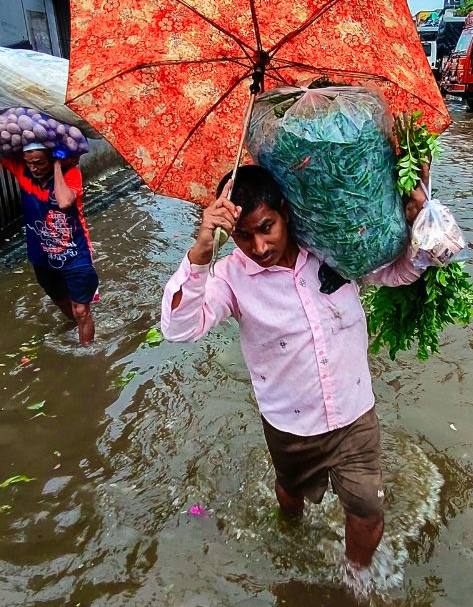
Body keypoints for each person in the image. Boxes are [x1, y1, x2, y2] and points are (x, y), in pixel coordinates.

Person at [160, 165, 427, 572]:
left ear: (284, 211)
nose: (260, 245)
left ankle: (358, 581)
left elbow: (399, 271)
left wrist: (419, 225)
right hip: (290, 425)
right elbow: (179, 329)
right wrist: (200, 252)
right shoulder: (229, 277)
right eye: (243, 235)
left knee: (368, 508)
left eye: (267, 227)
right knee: (290, 492)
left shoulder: (331, 247)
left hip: (354, 413)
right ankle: (289, 516)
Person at [0, 143, 99, 344]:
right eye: (29, 163)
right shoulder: (24, 173)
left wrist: (58, 166)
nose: (33, 168)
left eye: (39, 163)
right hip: (42, 254)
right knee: (59, 299)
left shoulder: (71, 174)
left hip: (75, 253)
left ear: (51, 159)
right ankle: (76, 324)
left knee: (82, 310)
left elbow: (64, 202)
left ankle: (88, 353)